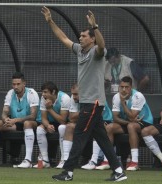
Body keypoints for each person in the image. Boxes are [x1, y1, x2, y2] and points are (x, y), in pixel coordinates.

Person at [42, 6, 127, 181]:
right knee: (102, 139)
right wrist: (50, 21)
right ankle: (118, 171)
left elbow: (103, 45)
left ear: (92, 39)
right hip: (88, 102)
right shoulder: (79, 51)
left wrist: (95, 26)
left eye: (83, 36)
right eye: (80, 36)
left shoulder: (97, 52)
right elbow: (63, 38)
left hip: (93, 102)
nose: (80, 38)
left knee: (79, 134)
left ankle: (68, 172)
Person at [0, 72, 39, 168]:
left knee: (27, 123)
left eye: (18, 84)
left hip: (31, 123)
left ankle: (28, 160)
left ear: (24, 84)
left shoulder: (32, 93)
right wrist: (5, 119)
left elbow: (33, 115)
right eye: (14, 84)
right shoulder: (10, 93)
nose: (15, 87)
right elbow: (4, 112)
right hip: (15, 124)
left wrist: (16, 120)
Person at [95, 76, 153, 171]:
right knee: (109, 127)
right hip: (129, 122)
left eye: (126, 87)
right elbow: (115, 118)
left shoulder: (138, 96)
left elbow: (132, 116)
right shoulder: (116, 97)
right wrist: (128, 121)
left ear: (131, 87)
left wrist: (123, 103)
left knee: (131, 126)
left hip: (144, 121)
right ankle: (107, 161)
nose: (123, 89)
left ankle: (134, 162)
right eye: (121, 87)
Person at [33, 81, 70, 168]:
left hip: (64, 123)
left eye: (45, 92)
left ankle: (63, 160)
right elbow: (44, 118)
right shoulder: (43, 99)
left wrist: (49, 109)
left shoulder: (65, 98)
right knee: (39, 129)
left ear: (53, 92)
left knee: (62, 127)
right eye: (42, 92)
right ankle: (45, 161)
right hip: (51, 123)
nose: (43, 94)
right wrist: (47, 125)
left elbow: (63, 121)